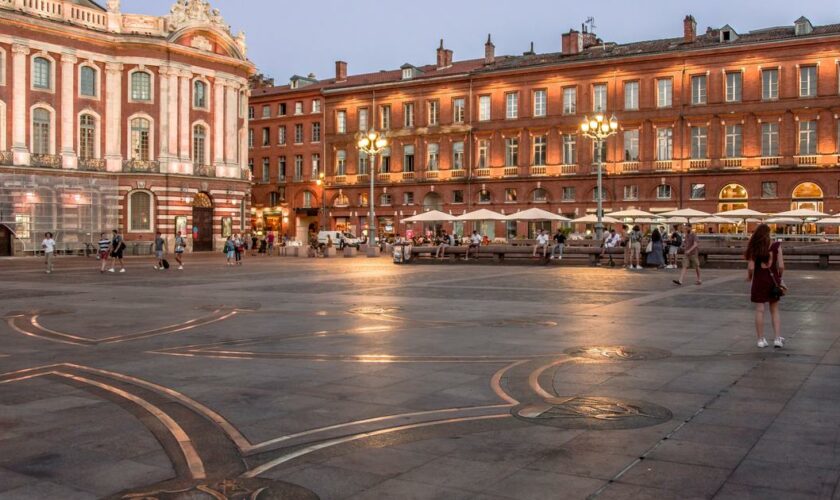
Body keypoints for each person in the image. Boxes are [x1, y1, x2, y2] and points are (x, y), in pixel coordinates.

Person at [745, 224, 785, 348]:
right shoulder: (776, 246)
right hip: (773, 282)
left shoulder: (754, 247)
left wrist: (750, 276)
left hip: (759, 281)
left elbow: (751, 267)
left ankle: (761, 340)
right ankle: (777, 338)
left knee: (760, 310)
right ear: (768, 233)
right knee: (774, 310)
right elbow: (782, 266)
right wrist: (779, 277)